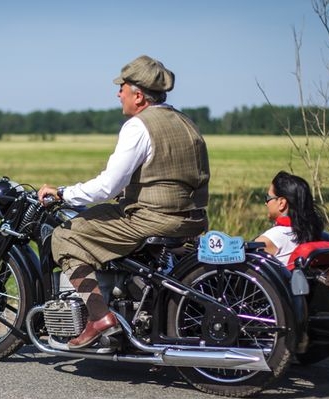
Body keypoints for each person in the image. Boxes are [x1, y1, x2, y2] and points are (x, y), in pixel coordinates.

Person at [38, 55, 210, 349]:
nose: (119, 94)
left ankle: (100, 316)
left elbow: (107, 186)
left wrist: (64, 193)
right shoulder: (185, 122)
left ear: (139, 96)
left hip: (153, 218)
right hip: (192, 219)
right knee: (102, 216)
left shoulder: (139, 127)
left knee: (65, 236)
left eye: (123, 88)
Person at [254, 170, 325, 266]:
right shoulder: (315, 232)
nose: (265, 203)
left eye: (267, 198)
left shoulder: (272, 238)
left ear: (281, 203)